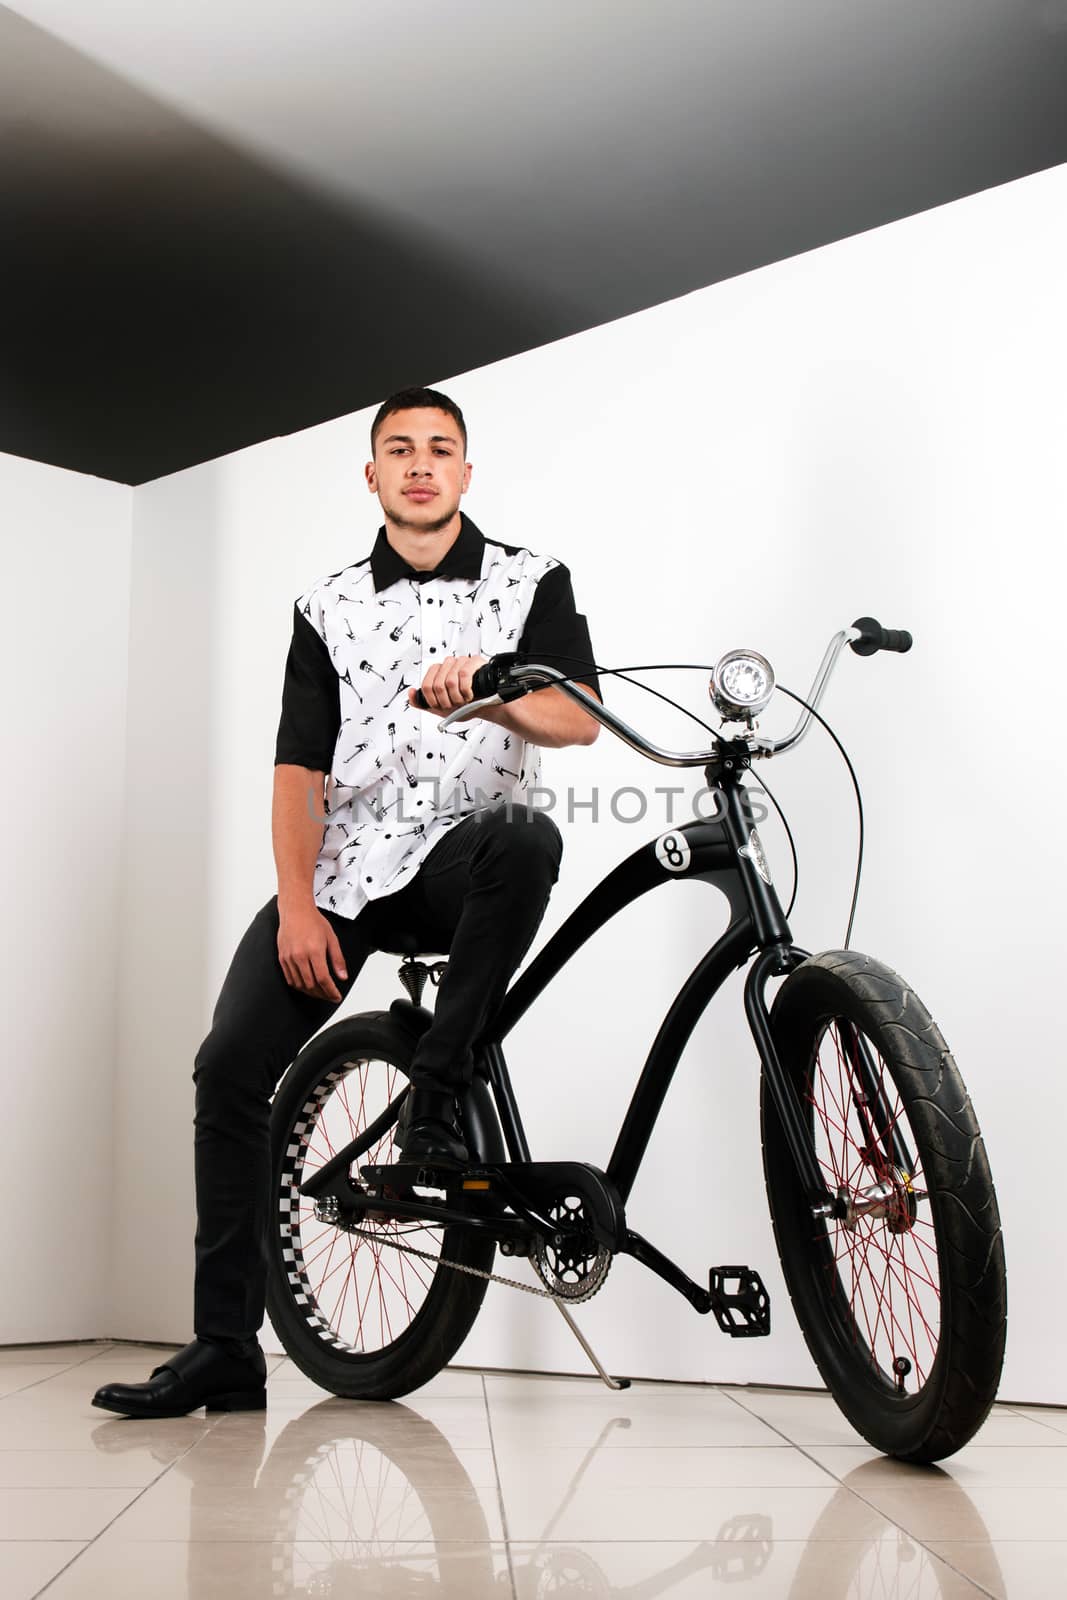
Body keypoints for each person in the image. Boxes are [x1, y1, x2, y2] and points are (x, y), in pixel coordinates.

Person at [92, 386, 601, 1419]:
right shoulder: (325, 606)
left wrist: (494, 687)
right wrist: (294, 905)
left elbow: (576, 717)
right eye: (399, 451)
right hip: (346, 874)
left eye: (440, 450)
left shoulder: (529, 581)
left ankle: (435, 1099)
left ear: (466, 472)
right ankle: (224, 1347)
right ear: (371, 475)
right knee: (230, 1063)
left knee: (526, 835)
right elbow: (297, 767)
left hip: (465, 859)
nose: (420, 465)